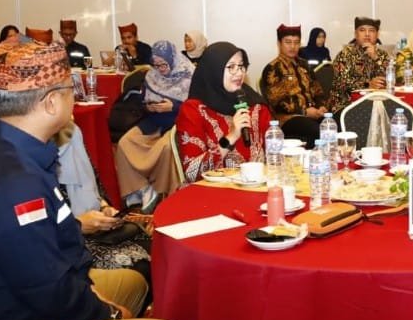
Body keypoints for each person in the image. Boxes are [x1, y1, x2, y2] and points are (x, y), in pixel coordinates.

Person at [0, 39, 185, 320]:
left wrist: (90, 295)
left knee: (131, 282)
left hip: (7, 301)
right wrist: (107, 313)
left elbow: (48, 263)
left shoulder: (0, 148)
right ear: (51, 102)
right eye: (71, 90)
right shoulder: (18, 184)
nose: (76, 97)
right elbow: (46, 290)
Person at [55, 121, 151, 283]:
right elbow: (41, 232)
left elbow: (94, 185)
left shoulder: (71, 132)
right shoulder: (33, 163)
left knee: (154, 248)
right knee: (139, 265)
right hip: (69, 245)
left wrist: (104, 207)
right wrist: (79, 225)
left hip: (98, 229)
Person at [115, 40, 194, 212]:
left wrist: (173, 106)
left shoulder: (189, 75)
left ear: (172, 59)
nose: (160, 69)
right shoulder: (151, 75)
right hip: (154, 120)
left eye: (163, 64)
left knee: (165, 148)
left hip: (177, 122)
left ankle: (162, 193)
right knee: (125, 142)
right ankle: (141, 188)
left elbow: (195, 106)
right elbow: (141, 101)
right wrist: (148, 107)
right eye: (156, 65)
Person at [175, 42, 271, 182]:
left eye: (241, 66)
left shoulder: (256, 106)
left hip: (256, 187)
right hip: (212, 191)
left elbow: (276, 155)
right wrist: (231, 137)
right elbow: (191, 173)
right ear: (214, 70)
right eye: (231, 67)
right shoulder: (193, 110)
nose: (239, 73)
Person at [261, 24, 328, 147]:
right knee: (318, 131)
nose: (292, 46)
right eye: (288, 42)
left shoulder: (304, 65)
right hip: (288, 119)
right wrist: (304, 112)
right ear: (279, 43)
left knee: (332, 126)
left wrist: (321, 106)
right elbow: (277, 103)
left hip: (313, 113)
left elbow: (317, 90)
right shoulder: (273, 68)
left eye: (296, 42)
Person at [327, 16, 390, 114]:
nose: (367, 34)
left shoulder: (382, 55)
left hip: (377, 104)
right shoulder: (345, 54)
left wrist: (376, 58)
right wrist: (368, 85)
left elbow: (389, 81)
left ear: (377, 35)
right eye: (362, 30)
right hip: (346, 105)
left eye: (371, 30)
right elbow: (341, 83)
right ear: (356, 34)